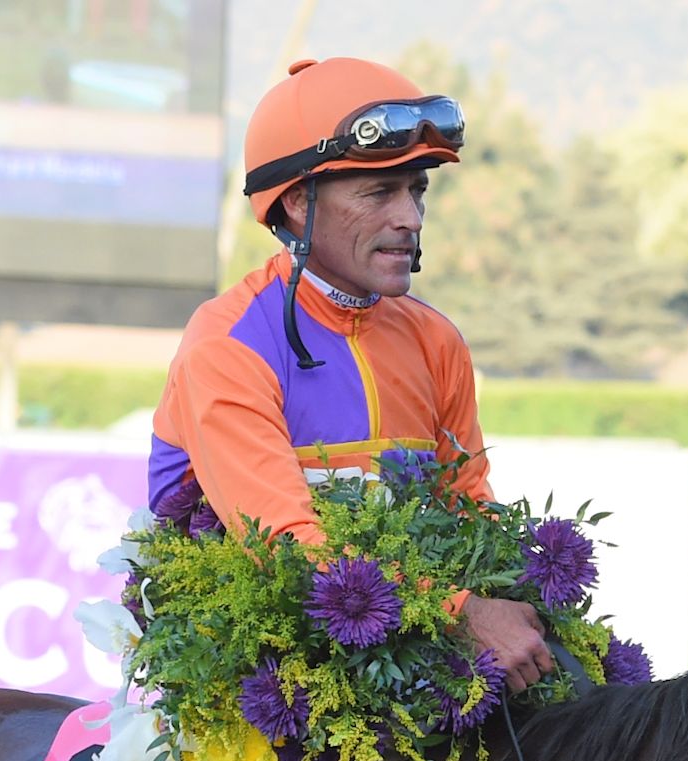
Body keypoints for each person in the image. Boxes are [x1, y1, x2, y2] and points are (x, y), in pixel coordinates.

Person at [147, 55, 552, 689]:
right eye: (379, 192)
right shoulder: (228, 345)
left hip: (411, 649)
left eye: (416, 190)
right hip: (252, 677)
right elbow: (287, 552)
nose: (412, 219)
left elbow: (471, 511)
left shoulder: (436, 341)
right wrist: (464, 613)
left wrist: (522, 597)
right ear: (299, 206)